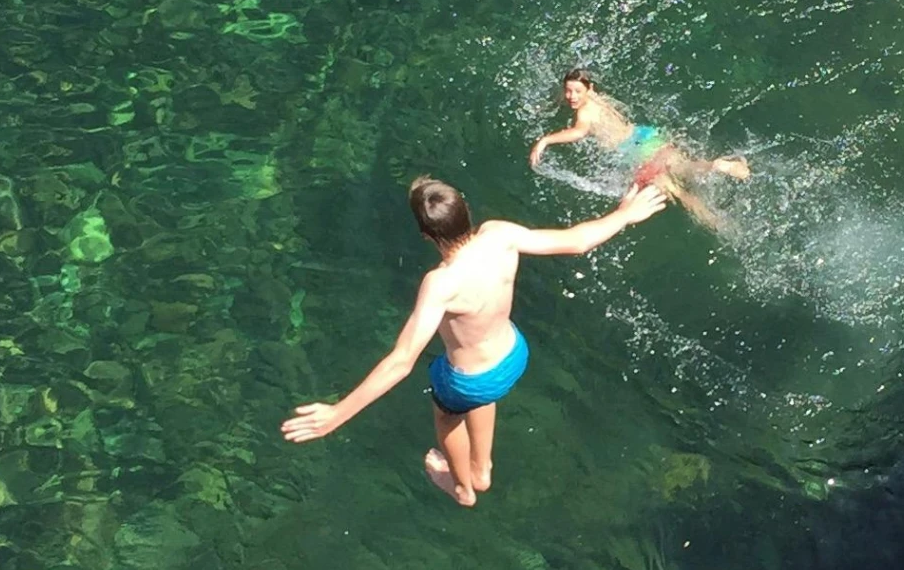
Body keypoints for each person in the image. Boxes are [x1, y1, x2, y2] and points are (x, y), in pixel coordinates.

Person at [280, 175, 668, 505]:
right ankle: (483, 468)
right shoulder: (499, 234)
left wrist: (337, 414)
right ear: (465, 211)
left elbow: (401, 361)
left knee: (448, 416)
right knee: (481, 389)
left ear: (426, 235)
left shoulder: (441, 284)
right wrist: (624, 214)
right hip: (514, 354)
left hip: (469, 382)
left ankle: (464, 486)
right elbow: (577, 241)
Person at [529, 69, 749, 231]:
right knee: (687, 167)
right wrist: (559, 100)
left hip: (633, 151)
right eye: (568, 92)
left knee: (678, 193)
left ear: (588, 89)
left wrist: (545, 140)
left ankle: (718, 224)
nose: (572, 97)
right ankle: (716, 165)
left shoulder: (584, 114)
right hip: (644, 135)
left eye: (576, 92)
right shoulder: (596, 98)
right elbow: (573, 93)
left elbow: (577, 132)